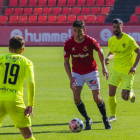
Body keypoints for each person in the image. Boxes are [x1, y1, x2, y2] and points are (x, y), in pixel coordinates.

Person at [64, 20, 112, 130]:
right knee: (76, 97)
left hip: (91, 71)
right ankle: (87, 119)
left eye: (79, 31)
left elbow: (100, 52)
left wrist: (104, 67)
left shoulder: (90, 40)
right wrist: (71, 78)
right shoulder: (69, 43)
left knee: (97, 98)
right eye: (75, 31)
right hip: (77, 73)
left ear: (84, 30)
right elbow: (66, 62)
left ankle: (105, 118)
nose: (77, 33)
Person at [0, 36, 35, 140]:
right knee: (28, 135)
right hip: (15, 100)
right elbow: (31, 82)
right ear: (23, 49)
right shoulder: (27, 62)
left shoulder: (1, 58)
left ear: (9, 48)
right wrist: (30, 104)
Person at [105, 18, 140, 122]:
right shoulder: (111, 40)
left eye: (117, 27)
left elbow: (139, 51)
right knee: (111, 93)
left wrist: (134, 66)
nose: (115, 29)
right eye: (114, 27)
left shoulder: (129, 39)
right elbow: (112, 53)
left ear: (122, 27)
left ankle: (131, 94)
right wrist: (108, 58)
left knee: (125, 97)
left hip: (128, 72)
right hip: (116, 70)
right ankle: (113, 116)